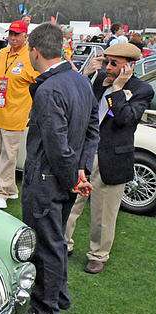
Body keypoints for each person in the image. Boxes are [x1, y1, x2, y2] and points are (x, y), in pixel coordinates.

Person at [23, 23, 100, 314]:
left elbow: (57, 144)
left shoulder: (49, 89)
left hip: (47, 177)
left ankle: (46, 305)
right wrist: (80, 171)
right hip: (65, 174)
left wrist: (74, 177)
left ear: (35, 51)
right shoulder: (80, 81)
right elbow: (92, 130)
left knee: (47, 243)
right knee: (56, 239)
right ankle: (60, 295)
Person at [65, 43, 154, 274]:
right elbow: (81, 105)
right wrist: (85, 75)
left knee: (103, 213)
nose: (108, 67)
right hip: (84, 152)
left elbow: (125, 119)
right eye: (106, 61)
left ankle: (98, 255)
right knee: (70, 202)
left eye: (114, 63)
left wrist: (117, 89)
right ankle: (63, 244)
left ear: (129, 66)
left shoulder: (142, 89)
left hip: (111, 156)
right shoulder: (98, 80)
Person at [0, 20, 39, 209]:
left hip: (15, 112)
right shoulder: (2, 53)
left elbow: (38, 81)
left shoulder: (30, 55)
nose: (13, 37)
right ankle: (8, 187)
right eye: (11, 34)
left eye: (17, 34)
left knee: (9, 153)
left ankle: (1, 191)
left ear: (25, 36)